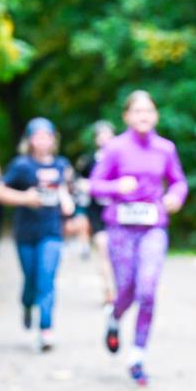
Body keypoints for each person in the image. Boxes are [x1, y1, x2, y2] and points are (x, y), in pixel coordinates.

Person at [88, 91, 187, 385]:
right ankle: (115, 316)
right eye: (137, 111)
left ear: (155, 116)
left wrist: (175, 195)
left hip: (154, 226)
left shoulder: (165, 148)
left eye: (149, 111)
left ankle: (137, 355)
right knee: (127, 290)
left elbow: (179, 180)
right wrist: (117, 185)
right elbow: (94, 185)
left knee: (148, 289)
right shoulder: (115, 148)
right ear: (127, 116)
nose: (144, 116)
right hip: (121, 227)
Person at [0, 117, 75, 352]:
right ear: (29, 140)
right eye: (37, 136)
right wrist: (25, 198)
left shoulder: (61, 165)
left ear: (53, 139)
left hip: (52, 232)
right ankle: (27, 305)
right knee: (30, 281)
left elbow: (66, 189)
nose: (42, 141)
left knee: (46, 279)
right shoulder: (21, 166)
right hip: (26, 234)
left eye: (46, 136)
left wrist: (67, 201)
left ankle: (46, 329)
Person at [76, 120, 118, 308]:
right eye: (101, 135)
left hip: (118, 212)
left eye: (108, 135)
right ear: (96, 139)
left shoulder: (121, 157)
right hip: (97, 211)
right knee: (103, 248)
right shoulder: (89, 161)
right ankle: (108, 292)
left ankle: (120, 290)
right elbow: (80, 183)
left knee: (116, 253)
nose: (105, 139)